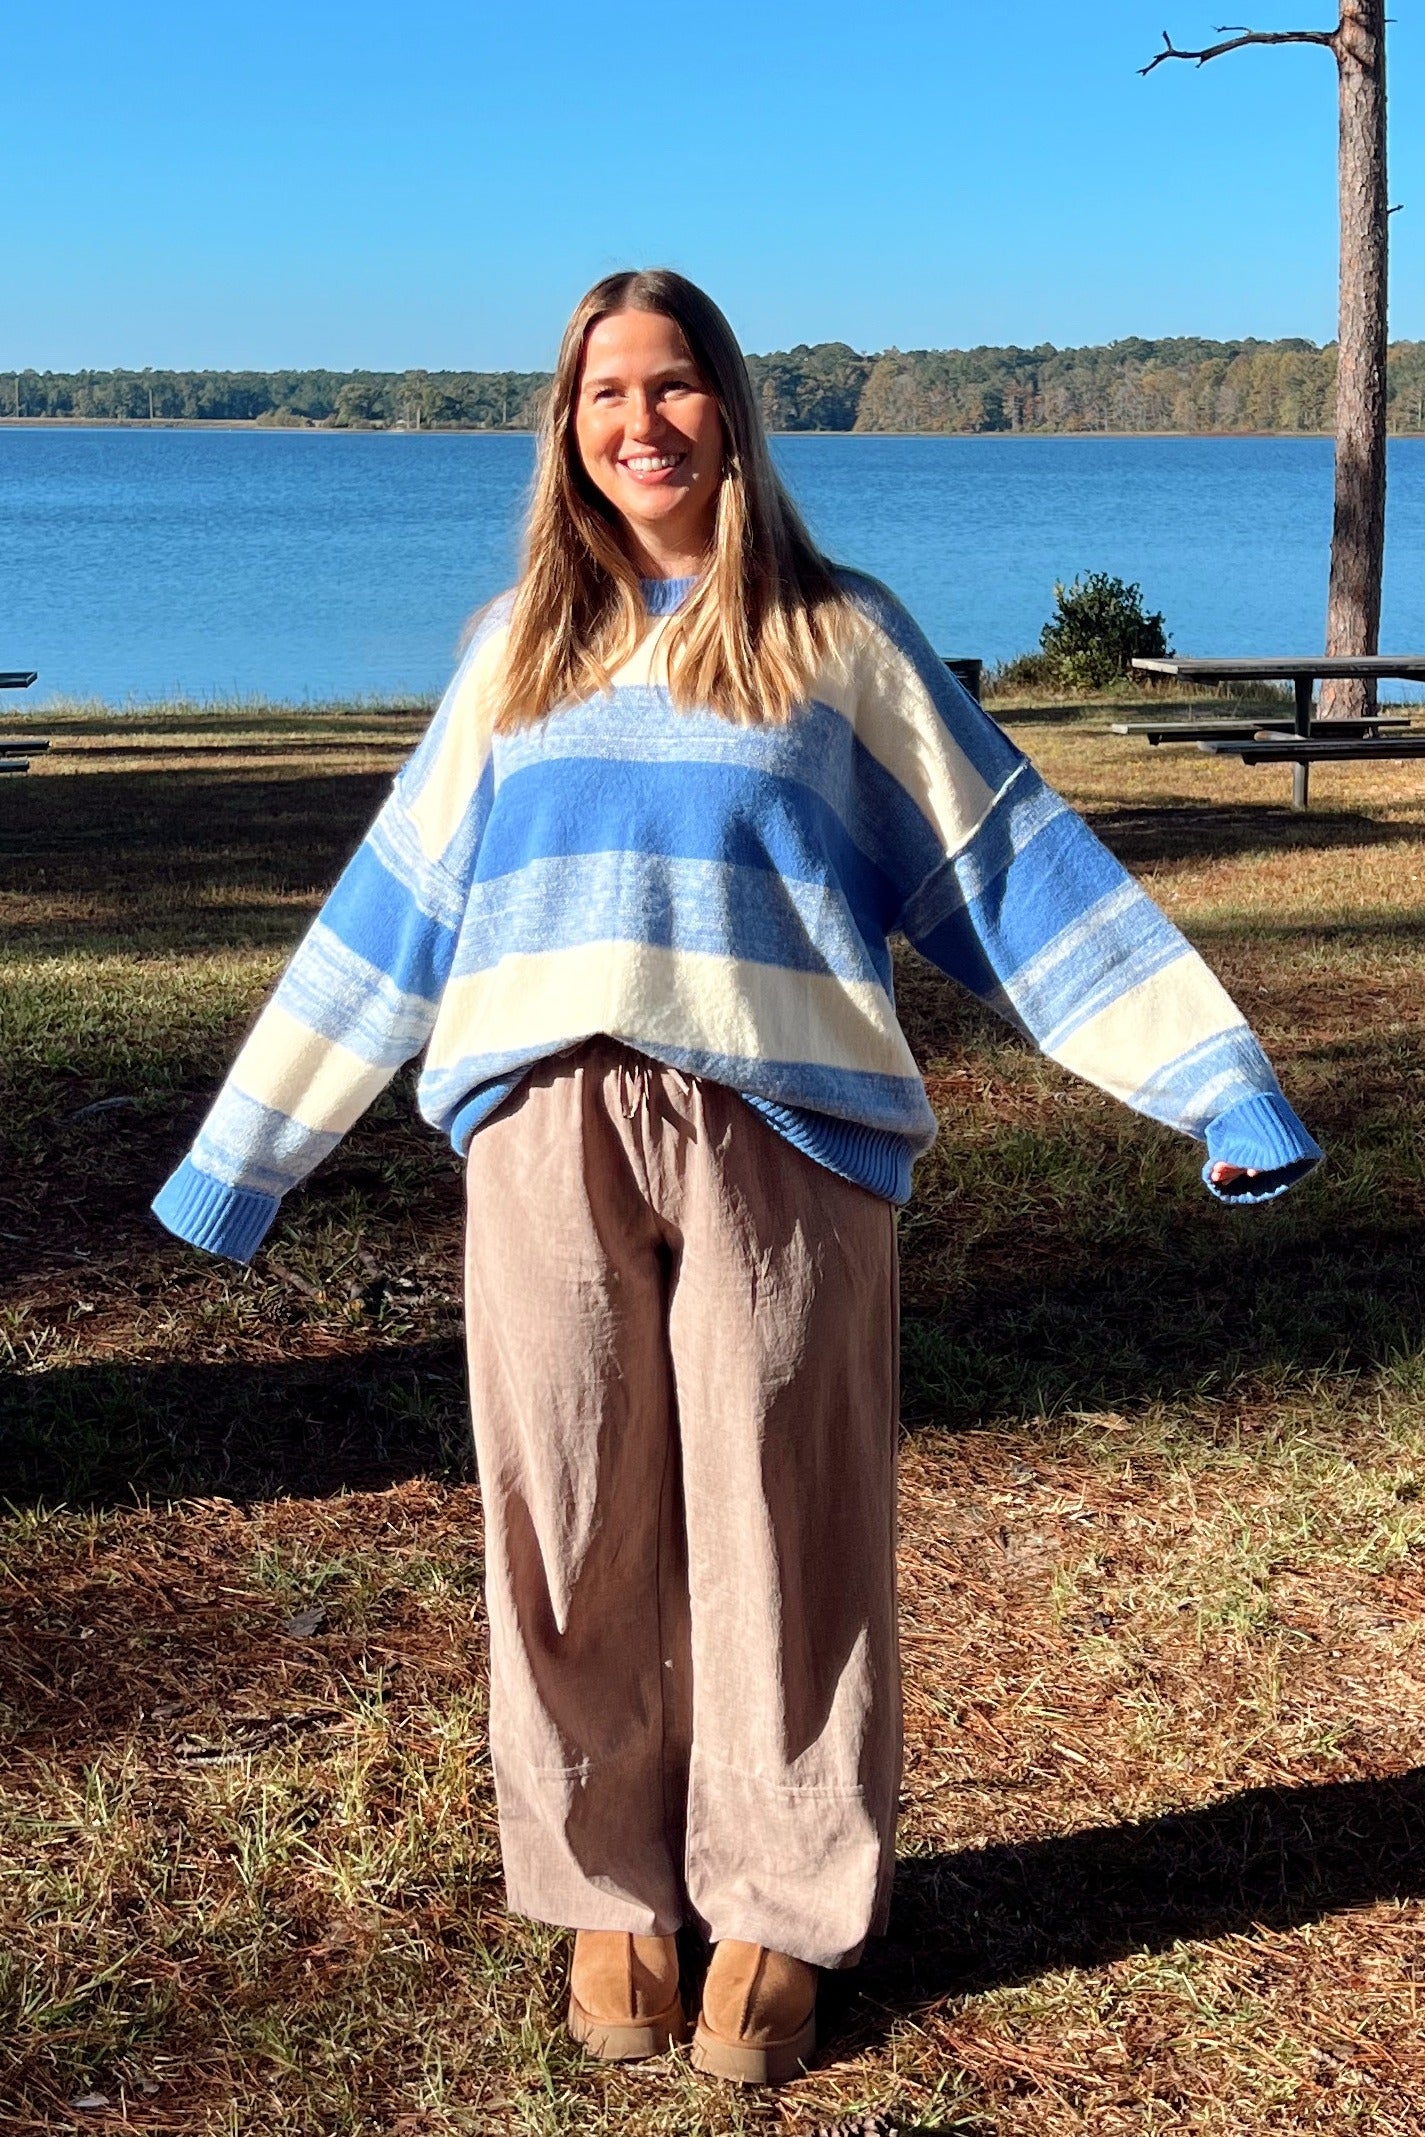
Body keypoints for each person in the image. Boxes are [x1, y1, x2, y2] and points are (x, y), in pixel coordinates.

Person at [153, 268, 1322, 2089]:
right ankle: (605, 1888)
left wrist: (1209, 1080)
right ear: (566, 428)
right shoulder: (515, 649)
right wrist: (247, 1151)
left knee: (786, 1523)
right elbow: (392, 915)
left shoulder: (835, 637)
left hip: (784, 1140)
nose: (642, 421)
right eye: (604, 391)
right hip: (540, 1134)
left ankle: (778, 1904)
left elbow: (1008, 873)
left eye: (675, 383)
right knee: (563, 1520)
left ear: (731, 411)